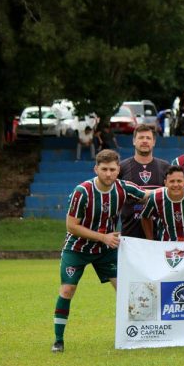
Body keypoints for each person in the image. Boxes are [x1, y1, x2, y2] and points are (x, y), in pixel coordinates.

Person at [51, 149, 146, 353]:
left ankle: (138, 335)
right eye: (104, 169)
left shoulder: (123, 188)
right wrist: (103, 237)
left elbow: (148, 194)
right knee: (67, 290)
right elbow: (71, 226)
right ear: (96, 169)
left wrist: (179, 188)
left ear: (118, 170)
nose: (108, 174)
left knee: (125, 290)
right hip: (77, 248)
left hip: (105, 250)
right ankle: (58, 340)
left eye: (112, 169)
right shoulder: (82, 192)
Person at [119, 124, 171, 239]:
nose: (145, 141)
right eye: (141, 138)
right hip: (130, 235)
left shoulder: (165, 167)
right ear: (134, 141)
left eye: (148, 138)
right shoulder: (122, 167)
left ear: (154, 142)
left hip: (160, 235)